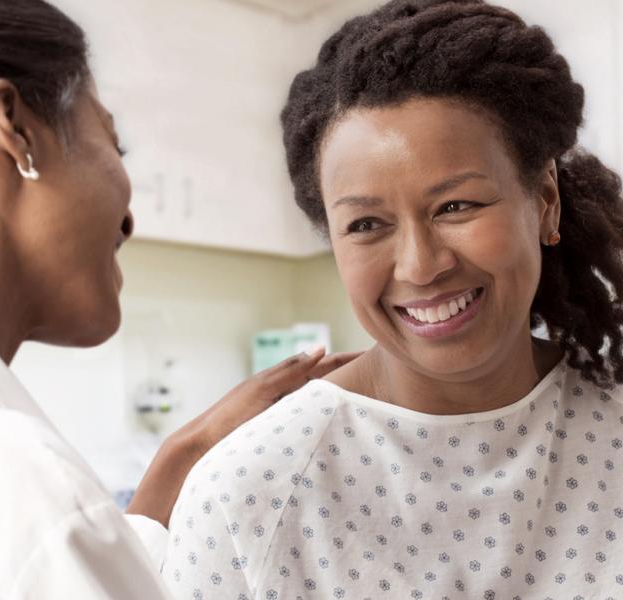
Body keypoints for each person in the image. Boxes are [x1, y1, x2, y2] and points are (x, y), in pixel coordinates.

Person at [0, 0, 359, 598]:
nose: (129, 218)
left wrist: (183, 457)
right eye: (112, 142)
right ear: (15, 130)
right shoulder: (9, 483)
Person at [163, 0, 623, 597]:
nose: (421, 265)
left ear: (544, 200)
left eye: (456, 206)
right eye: (366, 225)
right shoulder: (246, 491)